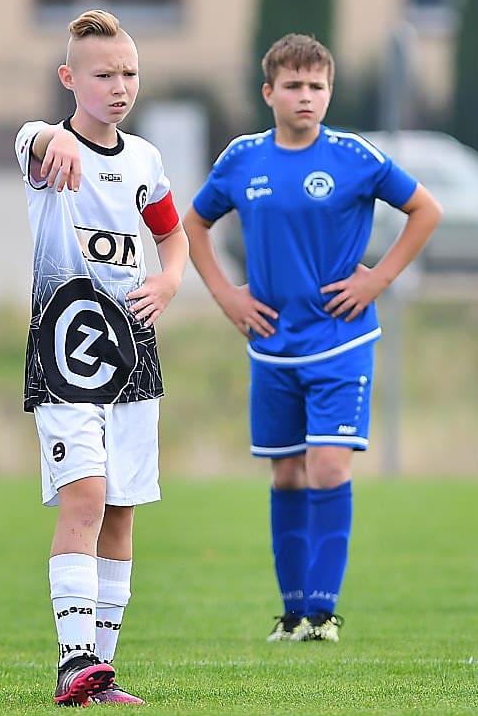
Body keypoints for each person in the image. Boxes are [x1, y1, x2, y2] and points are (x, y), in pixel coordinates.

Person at [184, 33, 442, 642]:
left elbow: (426, 210)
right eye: (294, 85)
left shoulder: (354, 156)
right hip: (272, 345)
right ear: (268, 92)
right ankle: (293, 612)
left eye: (317, 86)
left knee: (327, 467)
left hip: (341, 343)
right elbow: (193, 223)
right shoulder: (242, 158)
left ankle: (323, 616)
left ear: (330, 92)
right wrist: (226, 294)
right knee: (287, 477)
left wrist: (377, 280)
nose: (306, 96)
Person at [15, 9, 189, 705]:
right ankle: (73, 660)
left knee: (120, 511)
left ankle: (100, 674)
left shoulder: (144, 159)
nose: (119, 87)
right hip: (66, 352)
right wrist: (50, 134)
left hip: (133, 353)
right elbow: (29, 138)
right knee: (84, 497)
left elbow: (172, 236)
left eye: (129, 74)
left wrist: (170, 280)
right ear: (69, 78)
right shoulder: (49, 151)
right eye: (103, 75)